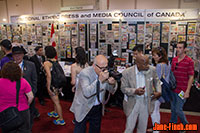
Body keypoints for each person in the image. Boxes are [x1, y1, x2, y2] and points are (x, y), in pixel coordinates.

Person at [70, 55, 117, 133]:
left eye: (106, 67)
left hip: (97, 107)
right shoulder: (85, 73)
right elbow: (87, 93)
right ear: (94, 65)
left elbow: (112, 91)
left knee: (95, 130)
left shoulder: (105, 72)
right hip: (83, 106)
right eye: (101, 68)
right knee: (80, 130)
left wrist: (112, 83)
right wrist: (99, 80)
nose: (104, 70)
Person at [121, 55, 161, 133]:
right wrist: (135, 91)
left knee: (143, 127)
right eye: (144, 64)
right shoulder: (127, 72)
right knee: (130, 127)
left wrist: (158, 91)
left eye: (148, 63)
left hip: (146, 102)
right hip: (132, 101)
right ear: (137, 64)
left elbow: (157, 82)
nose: (147, 66)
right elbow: (123, 88)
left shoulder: (152, 70)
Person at [0, 62, 34, 133]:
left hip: (4, 111)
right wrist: (27, 104)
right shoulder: (23, 82)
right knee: (25, 130)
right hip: (22, 109)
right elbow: (30, 96)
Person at [12, 45, 39, 129]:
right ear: (12, 56)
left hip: (28, 96)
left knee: (29, 115)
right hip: (14, 97)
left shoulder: (31, 65)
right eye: (15, 55)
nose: (17, 56)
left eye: (19, 54)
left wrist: (33, 92)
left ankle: (28, 129)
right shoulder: (9, 67)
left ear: (23, 55)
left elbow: (34, 80)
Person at [170, 42, 194, 126]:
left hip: (182, 90)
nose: (178, 49)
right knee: (173, 108)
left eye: (180, 48)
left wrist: (187, 91)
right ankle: (172, 123)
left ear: (185, 49)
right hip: (173, 88)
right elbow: (172, 73)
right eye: (177, 47)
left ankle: (185, 124)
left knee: (178, 109)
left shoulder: (189, 61)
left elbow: (191, 77)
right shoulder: (174, 60)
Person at [148, 47, 171, 133]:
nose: (153, 57)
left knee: (154, 111)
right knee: (156, 110)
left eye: (154, 55)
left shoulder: (159, 66)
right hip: (164, 89)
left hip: (158, 90)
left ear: (160, 56)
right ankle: (156, 128)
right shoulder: (167, 63)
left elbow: (156, 80)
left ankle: (156, 130)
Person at [44, 46, 65, 125]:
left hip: (53, 84)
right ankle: (55, 113)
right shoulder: (56, 61)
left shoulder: (46, 63)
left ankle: (61, 119)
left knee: (56, 102)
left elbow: (48, 76)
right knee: (55, 100)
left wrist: (48, 87)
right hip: (58, 84)